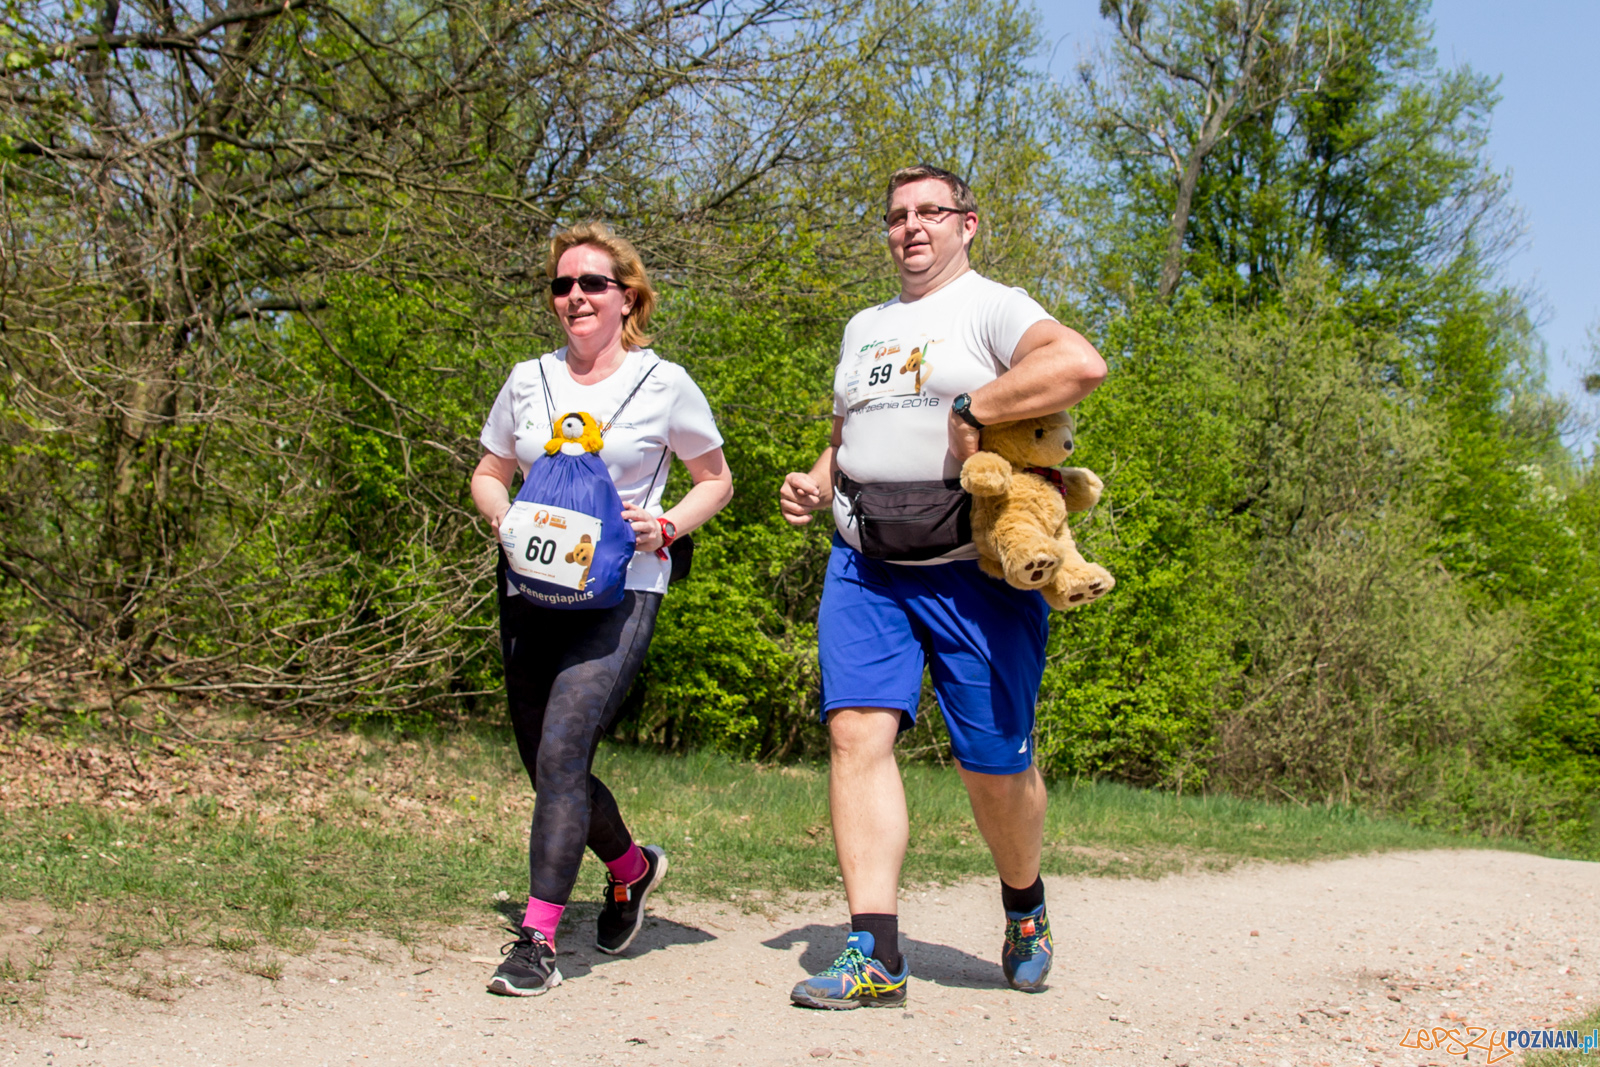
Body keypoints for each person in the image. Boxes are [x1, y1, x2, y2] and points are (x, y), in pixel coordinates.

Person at [778, 165, 1107, 1008]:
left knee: (993, 762)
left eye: (930, 211)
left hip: (974, 572)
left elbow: (1079, 363)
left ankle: (1025, 904)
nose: (912, 227)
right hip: (866, 563)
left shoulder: (993, 306)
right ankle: (875, 950)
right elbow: (848, 430)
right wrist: (817, 479)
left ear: (968, 223)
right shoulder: (864, 326)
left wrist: (974, 407)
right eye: (897, 216)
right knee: (855, 733)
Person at [471, 222, 733, 997]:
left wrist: (668, 524)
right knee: (544, 764)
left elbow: (716, 479)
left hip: (623, 590)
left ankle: (537, 941)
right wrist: (502, 514)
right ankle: (631, 866)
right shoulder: (527, 379)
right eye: (563, 284)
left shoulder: (665, 383)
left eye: (592, 283)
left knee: (562, 755)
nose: (575, 296)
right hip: (529, 586)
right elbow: (489, 469)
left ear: (628, 297)